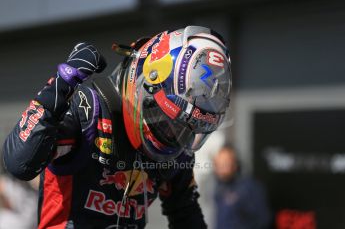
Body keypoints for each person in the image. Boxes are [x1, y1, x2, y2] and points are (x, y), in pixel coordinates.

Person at [2, 26, 232, 229]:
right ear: (144, 85)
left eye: (186, 129)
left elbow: (185, 213)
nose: (175, 134)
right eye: (169, 121)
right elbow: (19, 163)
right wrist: (60, 85)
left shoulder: (176, 151)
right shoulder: (89, 112)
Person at [213, 145, 271, 229]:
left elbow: (263, 220)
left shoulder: (250, 187)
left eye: (225, 162)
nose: (221, 167)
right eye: (218, 163)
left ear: (235, 164)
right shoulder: (218, 187)